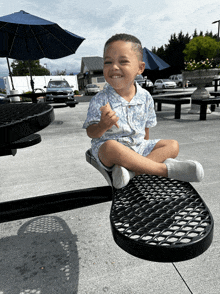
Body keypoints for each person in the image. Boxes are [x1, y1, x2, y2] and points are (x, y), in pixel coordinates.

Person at [83, 33, 204, 189]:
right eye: (108, 62)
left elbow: (146, 130)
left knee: (173, 145)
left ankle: (132, 172)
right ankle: (164, 170)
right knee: (111, 146)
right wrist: (102, 125)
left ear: (140, 68)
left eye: (123, 61)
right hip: (109, 152)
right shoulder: (100, 99)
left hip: (139, 147)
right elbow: (91, 133)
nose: (114, 67)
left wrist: (146, 147)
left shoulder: (145, 96)